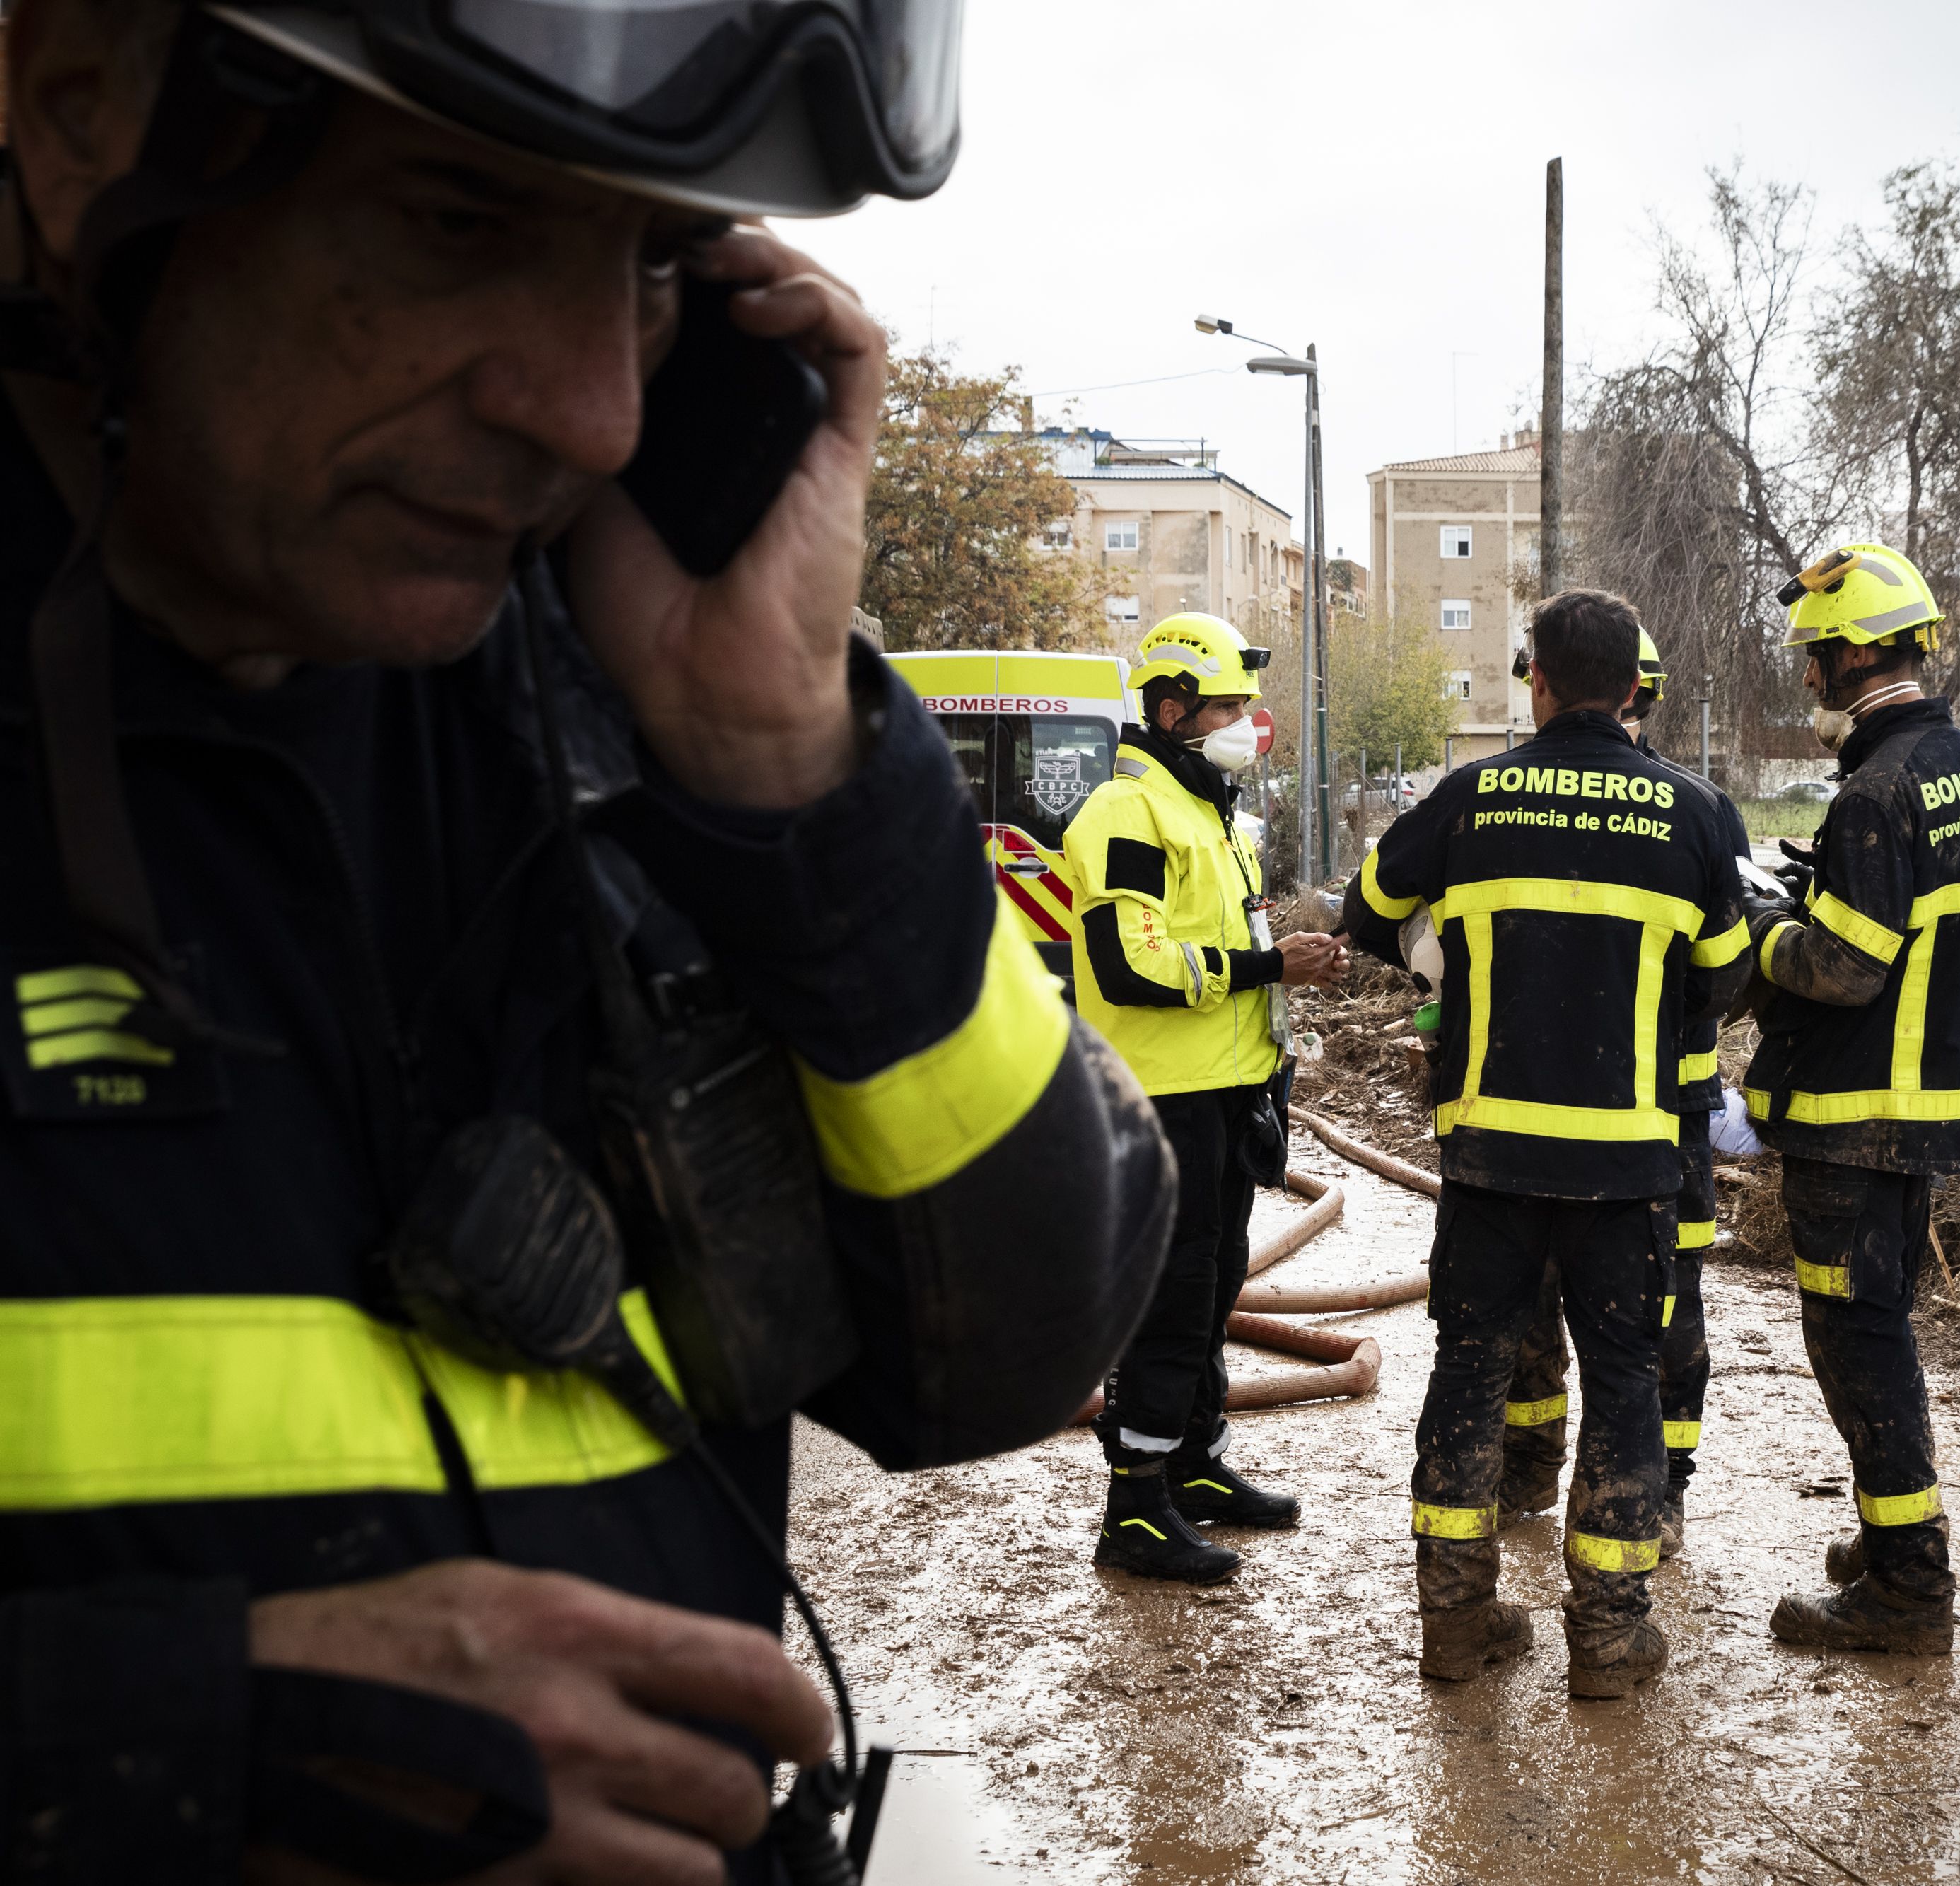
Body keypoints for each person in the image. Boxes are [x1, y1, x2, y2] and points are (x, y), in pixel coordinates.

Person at [0, 0, 1175, 1876]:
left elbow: (1002, 1353)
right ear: (80, 118)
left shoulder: (609, 710)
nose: (596, 414)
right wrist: (166, 1743)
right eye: (457, 221)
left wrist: (791, 770)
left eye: (645, 267)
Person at [1342, 588, 1750, 1699]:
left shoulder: (1469, 796)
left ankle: (1454, 1627)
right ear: (1632, 686)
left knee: (1470, 1371)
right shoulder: (1695, 813)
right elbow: (1726, 976)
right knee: (1623, 1384)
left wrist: (1448, 953)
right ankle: (1609, 1641)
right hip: (1626, 1162)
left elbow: (1368, 912)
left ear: (1537, 681)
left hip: (1491, 1157)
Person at [1736, 543, 1960, 1654]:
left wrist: (1766, 926)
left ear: (1851, 656)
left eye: (1814, 656)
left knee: (1856, 1344)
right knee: (1883, 1325)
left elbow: (1844, 968)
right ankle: (1892, 1535)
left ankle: (1909, 1584)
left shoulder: (1874, 792)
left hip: (1858, 1115)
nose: (1808, 676)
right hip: (1940, 1104)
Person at [1066, 612, 1344, 1583]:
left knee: (1216, 1282)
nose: (1246, 723)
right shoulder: (1126, 814)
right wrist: (1267, 964)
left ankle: (1194, 1465)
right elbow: (1129, 965)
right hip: (1158, 1100)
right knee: (1172, 1297)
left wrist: (1283, 991)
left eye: (1246, 705)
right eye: (1227, 706)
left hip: (1224, 1092)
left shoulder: (1211, 813)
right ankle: (1136, 1509)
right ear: (1171, 708)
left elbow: (1228, 951)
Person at [1494, 626, 1755, 1556]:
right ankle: (1532, 1467)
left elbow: (1725, 972)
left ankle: (1663, 1489)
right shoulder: (1522, 802)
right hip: (1599, 1109)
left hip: (1656, 1116)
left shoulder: (1701, 812)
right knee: (1537, 1306)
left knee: (1664, 1314)